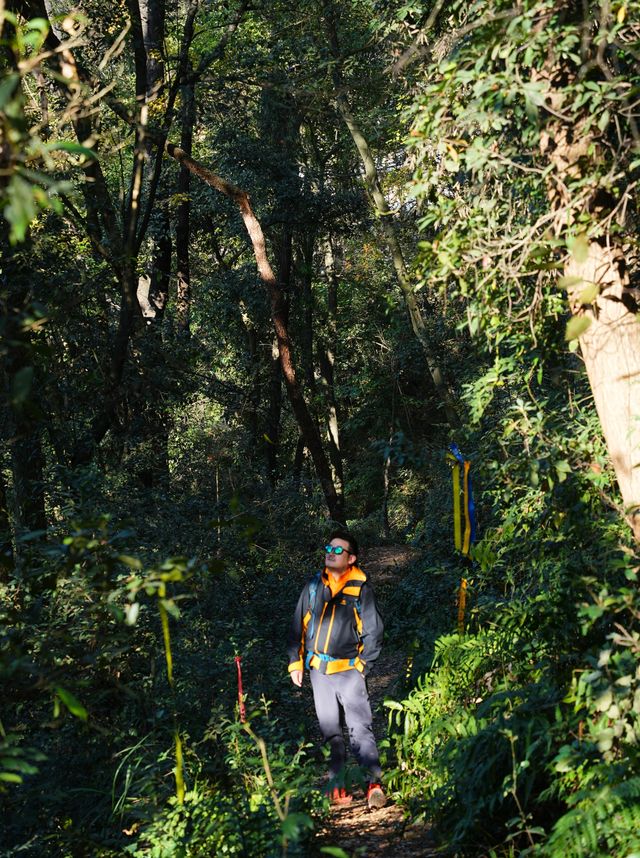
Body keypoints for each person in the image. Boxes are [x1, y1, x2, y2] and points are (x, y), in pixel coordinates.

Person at [287, 530, 386, 809]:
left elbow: (374, 632)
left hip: (349, 671)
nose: (331, 552)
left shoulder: (361, 589)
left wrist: (363, 666)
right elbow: (298, 626)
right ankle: (338, 786)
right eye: (329, 548)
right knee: (330, 730)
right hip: (319, 671)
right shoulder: (313, 587)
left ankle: (373, 784)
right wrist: (296, 661)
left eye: (338, 550)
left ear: (351, 558)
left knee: (360, 728)